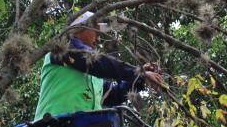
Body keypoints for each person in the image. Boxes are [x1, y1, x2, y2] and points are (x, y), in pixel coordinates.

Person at [34, 12, 163, 120]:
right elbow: (97, 62)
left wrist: (141, 78)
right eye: (96, 32)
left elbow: (115, 94)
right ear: (82, 27)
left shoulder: (94, 77)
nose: (99, 39)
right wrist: (136, 72)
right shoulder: (62, 47)